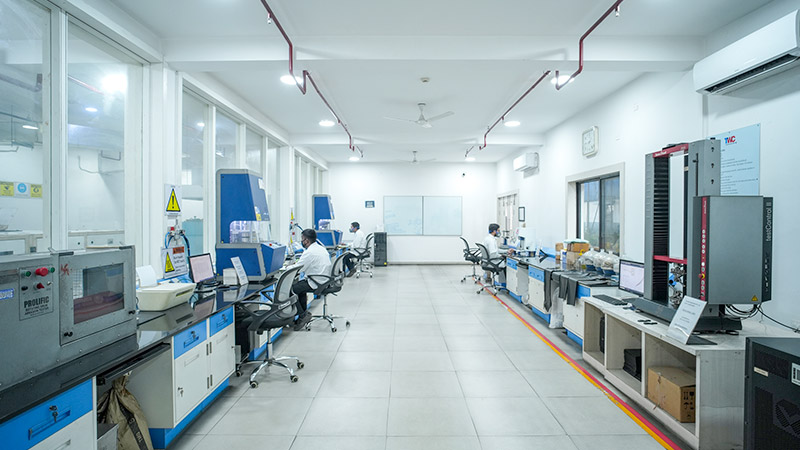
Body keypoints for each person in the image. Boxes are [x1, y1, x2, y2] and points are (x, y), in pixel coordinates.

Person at [291, 229, 332, 330]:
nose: (301, 241)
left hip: (316, 282)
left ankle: (302, 315)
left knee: (291, 290)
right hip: (324, 280)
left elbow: (298, 268)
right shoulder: (321, 248)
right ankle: (303, 315)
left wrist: (285, 268)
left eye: (302, 239)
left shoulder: (309, 252)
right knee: (300, 288)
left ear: (306, 240)